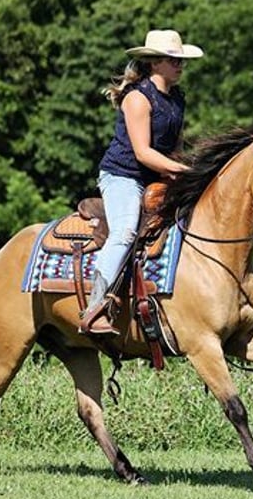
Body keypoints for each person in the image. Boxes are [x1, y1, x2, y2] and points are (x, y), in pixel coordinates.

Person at [80, 29, 204, 335]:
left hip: (158, 176)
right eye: (173, 60)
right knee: (124, 231)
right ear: (154, 63)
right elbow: (143, 152)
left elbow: (172, 146)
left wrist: (186, 170)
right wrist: (182, 171)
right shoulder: (137, 98)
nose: (180, 65)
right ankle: (95, 308)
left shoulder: (176, 99)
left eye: (180, 60)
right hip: (123, 176)